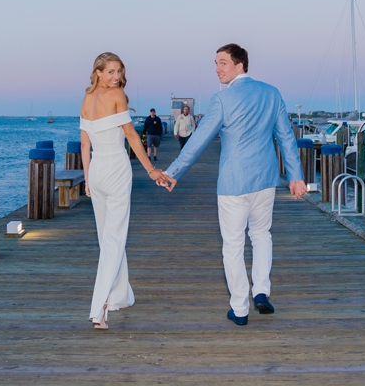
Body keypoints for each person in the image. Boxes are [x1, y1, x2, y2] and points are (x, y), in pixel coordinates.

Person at [158, 44, 305, 326]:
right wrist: (295, 177)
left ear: (240, 65)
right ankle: (261, 291)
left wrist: (174, 171)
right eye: (216, 63)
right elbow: (285, 137)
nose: (217, 68)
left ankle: (240, 308)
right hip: (265, 180)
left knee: (233, 245)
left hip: (233, 182)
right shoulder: (272, 94)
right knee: (262, 235)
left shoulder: (222, 100)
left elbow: (199, 139)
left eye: (223, 63)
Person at [80, 53, 173, 329]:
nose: (116, 77)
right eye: (109, 72)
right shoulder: (118, 95)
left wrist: (87, 179)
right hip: (116, 171)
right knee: (113, 239)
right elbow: (132, 136)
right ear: (97, 72)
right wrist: (151, 170)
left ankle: (120, 295)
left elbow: (85, 146)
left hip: (96, 171)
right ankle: (99, 308)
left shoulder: (86, 100)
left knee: (106, 236)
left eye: (119, 72)